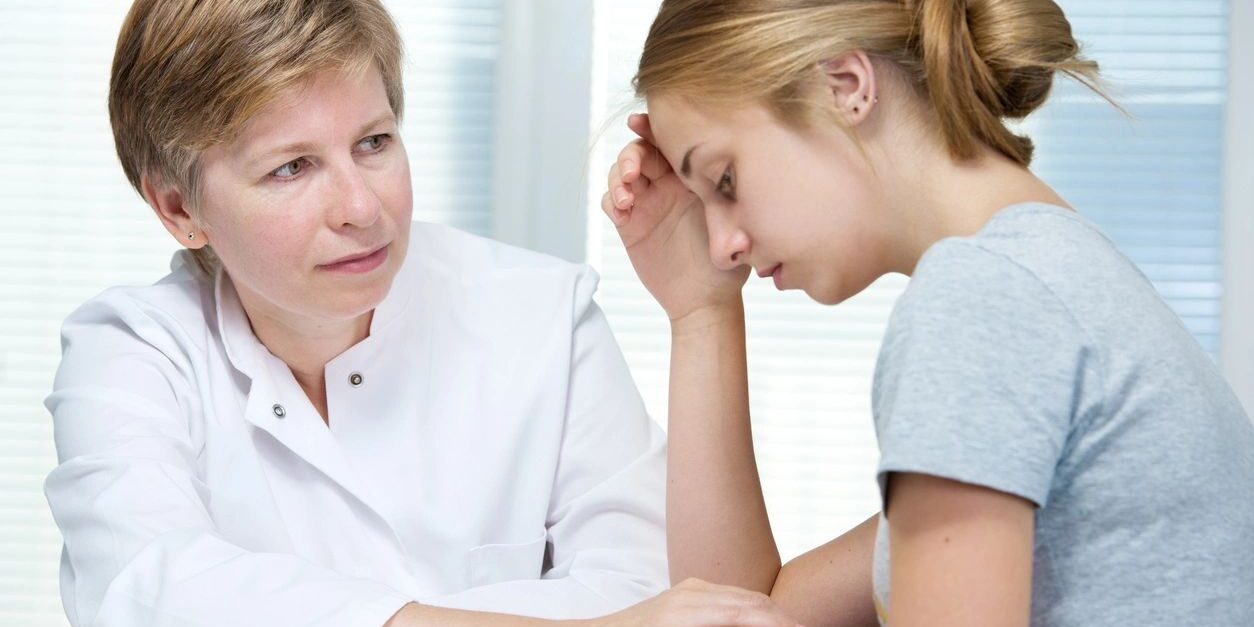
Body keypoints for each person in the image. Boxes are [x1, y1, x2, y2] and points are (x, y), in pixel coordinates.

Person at [602, 0, 1254, 625]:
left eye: (725, 182)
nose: (725, 246)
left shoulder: (982, 301)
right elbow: (741, 610)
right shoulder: (1046, 274)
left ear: (846, 84)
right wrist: (701, 309)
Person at [41, 0, 681, 624]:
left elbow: (647, 587)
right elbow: (144, 589)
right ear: (180, 208)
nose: (361, 207)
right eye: (291, 167)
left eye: (374, 142)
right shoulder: (130, 351)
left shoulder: (545, 317)